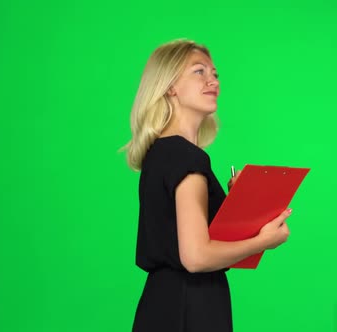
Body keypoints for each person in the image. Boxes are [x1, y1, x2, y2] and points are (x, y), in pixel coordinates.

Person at [122, 39, 292, 332]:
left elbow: (188, 240)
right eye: (199, 71)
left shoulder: (162, 153)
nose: (212, 80)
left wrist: (240, 205)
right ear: (170, 86)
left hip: (165, 303)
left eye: (215, 74)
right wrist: (263, 241)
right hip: (192, 304)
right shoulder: (186, 158)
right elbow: (196, 256)